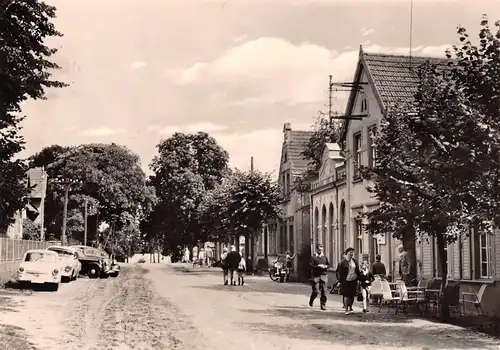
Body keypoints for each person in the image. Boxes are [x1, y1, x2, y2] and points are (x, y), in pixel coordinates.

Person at [337, 247, 360, 315]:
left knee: (352, 295)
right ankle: (346, 309)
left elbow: (357, 270)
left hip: (354, 280)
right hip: (346, 280)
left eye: (353, 252)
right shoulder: (343, 262)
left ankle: (350, 307)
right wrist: (340, 281)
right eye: (350, 252)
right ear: (347, 253)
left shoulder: (354, 261)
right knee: (346, 295)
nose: (352, 254)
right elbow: (340, 273)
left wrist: (359, 279)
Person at [309, 244, 329, 310]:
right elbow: (311, 266)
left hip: (324, 275)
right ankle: (312, 299)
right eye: (319, 250)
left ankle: (323, 305)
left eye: (322, 250)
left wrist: (326, 266)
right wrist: (318, 266)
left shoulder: (324, 257)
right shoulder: (313, 257)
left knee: (324, 291)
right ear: (317, 249)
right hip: (316, 276)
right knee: (316, 291)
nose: (320, 251)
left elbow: (328, 264)